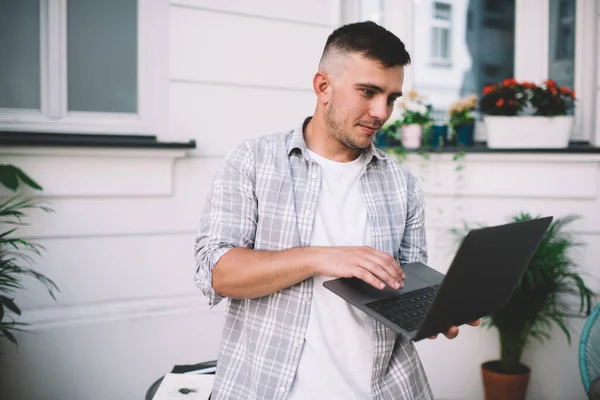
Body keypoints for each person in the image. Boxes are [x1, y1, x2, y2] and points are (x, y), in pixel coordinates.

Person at [194, 21, 479, 400]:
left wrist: (432, 310)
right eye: (368, 92)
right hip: (267, 387)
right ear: (323, 86)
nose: (381, 112)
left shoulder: (403, 185)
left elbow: (404, 284)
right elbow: (216, 273)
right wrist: (320, 257)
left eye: (392, 98)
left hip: (386, 389)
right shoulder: (253, 162)